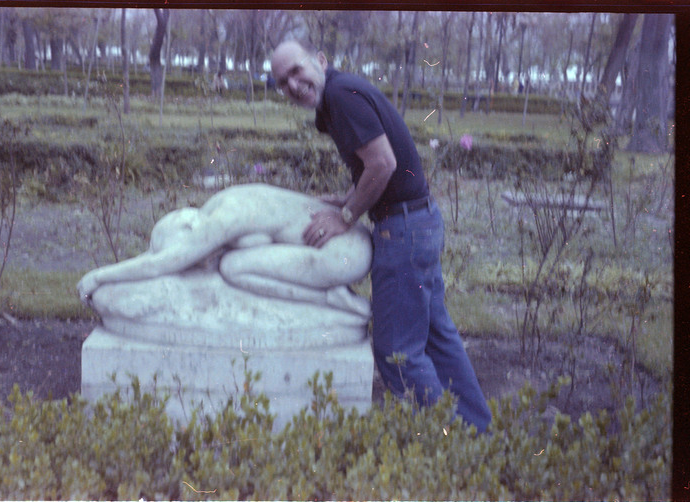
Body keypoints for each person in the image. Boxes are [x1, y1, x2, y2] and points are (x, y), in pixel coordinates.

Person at [271, 39, 492, 432]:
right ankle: (478, 432)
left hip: (403, 232)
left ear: (320, 61)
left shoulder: (340, 96)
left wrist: (345, 215)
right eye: (282, 81)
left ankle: (456, 442)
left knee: (396, 354)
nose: (293, 83)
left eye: (297, 69)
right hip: (417, 222)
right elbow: (381, 171)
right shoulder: (339, 95)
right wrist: (342, 200)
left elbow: (383, 163)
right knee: (437, 337)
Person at [77, 183, 372, 318]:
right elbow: (159, 259)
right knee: (232, 261)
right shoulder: (218, 204)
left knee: (232, 267)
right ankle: (328, 293)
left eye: (188, 249)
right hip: (352, 240)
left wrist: (99, 276)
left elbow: (161, 264)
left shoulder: (220, 222)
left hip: (342, 255)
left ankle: (328, 298)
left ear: (189, 229)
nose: (194, 259)